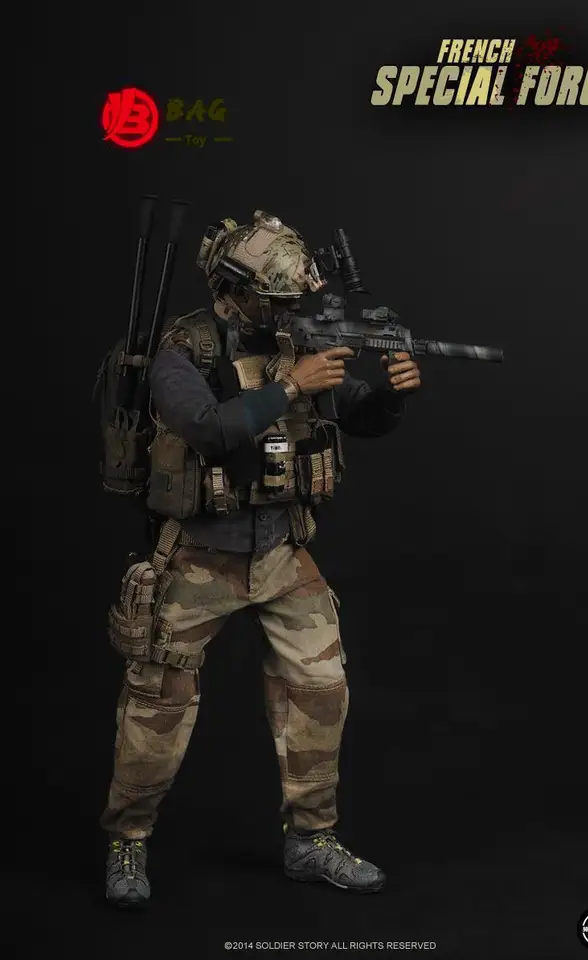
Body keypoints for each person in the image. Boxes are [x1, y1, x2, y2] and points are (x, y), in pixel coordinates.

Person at [101, 210, 422, 907]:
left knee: (321, 690)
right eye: (274, 299)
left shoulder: (294, 342)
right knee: (157, 705)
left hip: (280, 552)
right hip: (198, 558)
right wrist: (291, 385)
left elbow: (358, 414)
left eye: (291, 300)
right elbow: (207, 429)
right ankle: (128, 839)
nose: (286, 311)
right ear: (233, 289)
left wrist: (391, 398)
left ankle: (311, 839)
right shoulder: (182, 350)